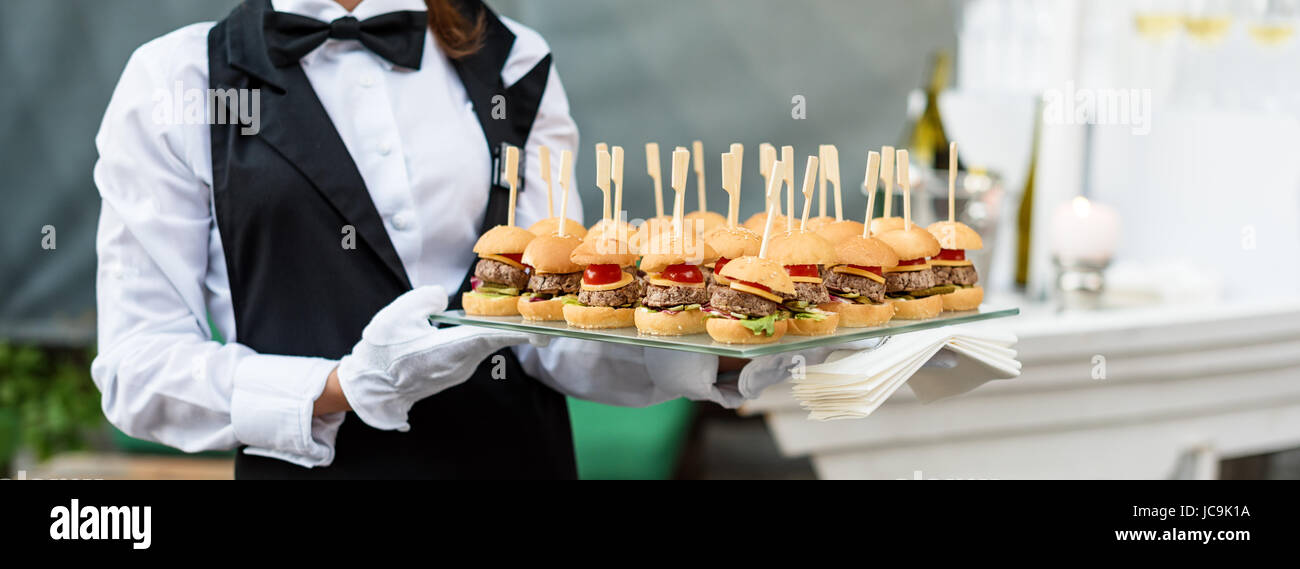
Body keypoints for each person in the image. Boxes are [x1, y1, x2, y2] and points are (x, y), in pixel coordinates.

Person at [92, 0, 810, 479]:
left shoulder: (515, 61)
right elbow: (136, 368)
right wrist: (340, 387)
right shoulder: (176, 81)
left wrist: (719, 357)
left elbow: (550, 332)